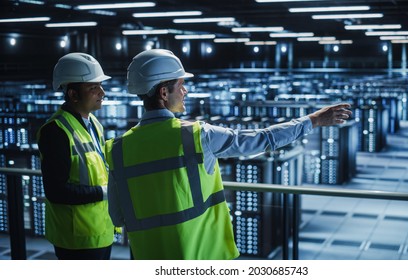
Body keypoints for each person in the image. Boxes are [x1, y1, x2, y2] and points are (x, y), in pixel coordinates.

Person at [105, 49, 352, 260]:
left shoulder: (117, 149)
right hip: (202, 257)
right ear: (163, 93)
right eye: (181, 85)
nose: (186, 91)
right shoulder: (196, 135)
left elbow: (117, 215)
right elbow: (261, 139)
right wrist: (312, 121)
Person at [37, 52, 114, 260]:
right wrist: (104, 192)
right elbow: (56, 191)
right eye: (93, 88)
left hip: (101, 230)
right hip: (76, 239)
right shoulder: (56, 131)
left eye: (100, 86)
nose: (102, 93)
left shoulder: (94, 124)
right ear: (73, 94)